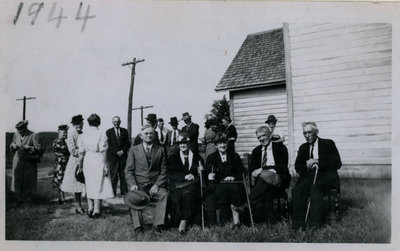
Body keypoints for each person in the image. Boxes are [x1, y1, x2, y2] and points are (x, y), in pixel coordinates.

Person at [232, 126, 291, 224]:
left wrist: (263, 169)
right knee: (266, 186)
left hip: (279, 179)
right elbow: (253, 171)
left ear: (270, 135)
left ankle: (247, 206)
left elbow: (282, 167)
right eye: (259, 137)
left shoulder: (280, 148)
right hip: (262, 183)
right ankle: (269, 221)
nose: (262, 139)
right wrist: (260, 172)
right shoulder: (256, 151)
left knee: (266, 175)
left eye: (264, 135)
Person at [291, 122, 342, 229]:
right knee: (297, 190)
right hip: (308, 176)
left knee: (315, 190)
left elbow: (337, 163)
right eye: (304, 133)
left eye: (310, 132)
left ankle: (315, 224)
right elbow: (297, 166)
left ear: (316, 132)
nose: (307, 135)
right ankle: (298, 224)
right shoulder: (303, 148)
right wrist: (306, 165)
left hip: (326, 177)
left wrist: (317, 161)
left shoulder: (328, 143)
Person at [124, 124, 168, 233]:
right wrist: (132, 184)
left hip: (155, 185)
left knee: (164, 194)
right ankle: (138, 227)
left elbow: (164, 171)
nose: (149, 135)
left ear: (154, 135)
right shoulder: (133, 150)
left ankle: (158, 225)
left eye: (151, 133)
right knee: (133, 195)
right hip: (139, 185)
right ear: (141, 135)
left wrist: (157, 185)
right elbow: (128, 170)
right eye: (146, 133)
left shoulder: (161, 150)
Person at [77, 114, 114, 218]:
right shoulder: (102, 134)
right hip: (98, 159)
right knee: (99, 184)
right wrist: (105, 164)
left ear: (88, 123)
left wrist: (80, 166)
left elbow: (81, 153)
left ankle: (90, 208)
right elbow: (104, 150)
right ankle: (97, 210)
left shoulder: (83, 135)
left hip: (87, 160)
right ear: (99, 122)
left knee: (89, 184)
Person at [205, 133, 246, 227]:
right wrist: (209, 176)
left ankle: (236, 221)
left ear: (227, 143)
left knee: (235, 189)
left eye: (224, 142)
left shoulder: (234, 156)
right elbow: (207, 173)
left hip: (233, 183)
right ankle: (220, 221)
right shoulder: (211, 158)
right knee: (218, 191)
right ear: (215, 145)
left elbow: (241, 171)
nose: (222, 145)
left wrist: (233, 177)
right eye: (219, 143)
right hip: (218, 184)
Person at [167, 135, 204, 234]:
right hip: (177, 185)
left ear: (189, 144)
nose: (183, 145)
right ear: (178, 145)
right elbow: (170, 174)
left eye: (186, 143)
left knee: (187, 194)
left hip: (192, 185)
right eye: (181, 144)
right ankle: (177, 220)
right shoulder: (173, 158)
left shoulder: (197, 157)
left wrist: (201, 171)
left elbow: (202, 171)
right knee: (176, 197)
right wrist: (184, 177)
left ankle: (183, 222)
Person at [10, 120, 43, 202]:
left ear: (25, 128)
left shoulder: (33, 135)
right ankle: (19, 199)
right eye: (18, 129)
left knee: (28, 181)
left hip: (29, 162)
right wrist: (13, 146)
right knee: (17, 181)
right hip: (18, 161)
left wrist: (30, 148)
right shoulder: (16, 134)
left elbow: (39, 149)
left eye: (21, 130)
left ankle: (29, 200)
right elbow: (12, 143)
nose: (19, 131)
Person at [60, 115, 86, 214]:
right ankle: (78, 207)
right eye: (76, 124)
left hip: (86, 161)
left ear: (83, 124)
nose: (79, 126)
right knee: (77, 185)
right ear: (74, 125)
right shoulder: (71, 134)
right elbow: (72, 150)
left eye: (80, 123)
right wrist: (83, 151)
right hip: (76, 162)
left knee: (86, 184)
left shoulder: (84, 134)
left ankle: (92, 206)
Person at [106, 116, 130, 197]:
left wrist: (122, 151)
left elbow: (128, 143)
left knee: (123, 175)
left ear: (120, 122)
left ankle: (124, 192)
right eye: (115, 121)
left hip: (123, 157)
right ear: (112, 122)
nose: (116, 123)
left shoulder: (125, 131)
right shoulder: (108, 132)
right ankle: (113, 193)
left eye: (118, 121)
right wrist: (116, 152)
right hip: (113, 157)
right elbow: (108, 145)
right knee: (113, 175)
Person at [52, 124, 70, 204]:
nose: (65, 134)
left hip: (64, 163)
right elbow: (65, 151)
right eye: (64, 133)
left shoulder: (64, 141)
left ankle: (62, 198)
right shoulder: (58, 142)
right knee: (60, 180)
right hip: (60, 164)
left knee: (62, 180)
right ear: (59, 132)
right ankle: (62, 198)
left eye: (66, 133)